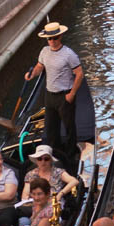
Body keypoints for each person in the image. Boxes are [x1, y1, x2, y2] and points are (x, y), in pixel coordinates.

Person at [25, 22, 83, 160]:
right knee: (51, 128)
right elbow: (40, 66)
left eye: (55, 38)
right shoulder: (44, 51)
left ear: (60, 36)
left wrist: (72, 94)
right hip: (49, 95)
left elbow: (79, 74)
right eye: (49, 38)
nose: (52, 41)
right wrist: (32, 74)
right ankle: (55, 154)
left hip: (65, 95)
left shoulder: (69, 54)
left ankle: (70, 155)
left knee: (69, 128)